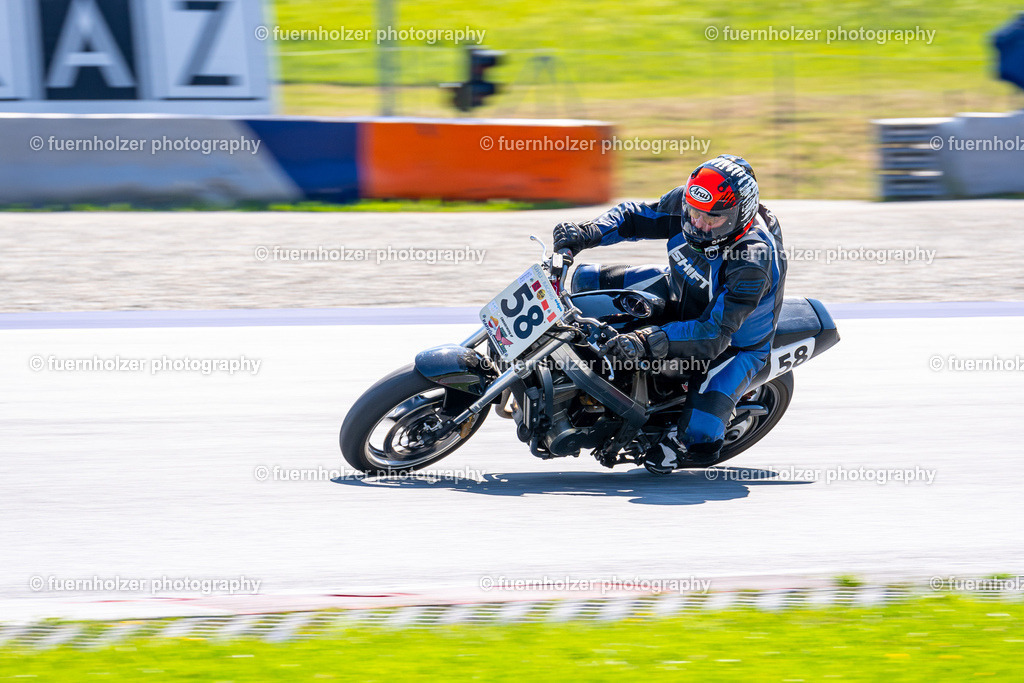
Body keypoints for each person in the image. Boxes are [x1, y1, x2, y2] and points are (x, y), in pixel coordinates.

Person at [552, 154, 786, 473]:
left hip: (733, 343)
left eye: (713, 219)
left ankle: (677, 439)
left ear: (740, 216)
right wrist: (585, 232)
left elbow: (713, 334)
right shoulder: (689, 203)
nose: (699, 225)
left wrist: (645, 341)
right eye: (694, 213)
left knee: (701, 437)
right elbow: (633, 217)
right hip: (681, 288)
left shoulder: (751, 262)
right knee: (583, 280)